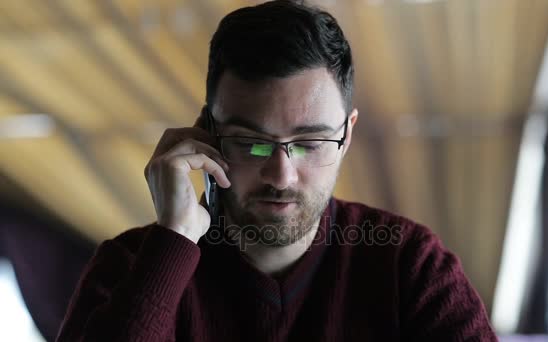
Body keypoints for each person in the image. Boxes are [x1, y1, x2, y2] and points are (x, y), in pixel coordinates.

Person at [56, 1, 497, 341]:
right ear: (205, 134)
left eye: (310, 143)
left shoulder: (410, 266)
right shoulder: (132, 267)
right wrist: (172, 242)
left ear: (348, 134)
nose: (281, 175)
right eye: (252, 142)